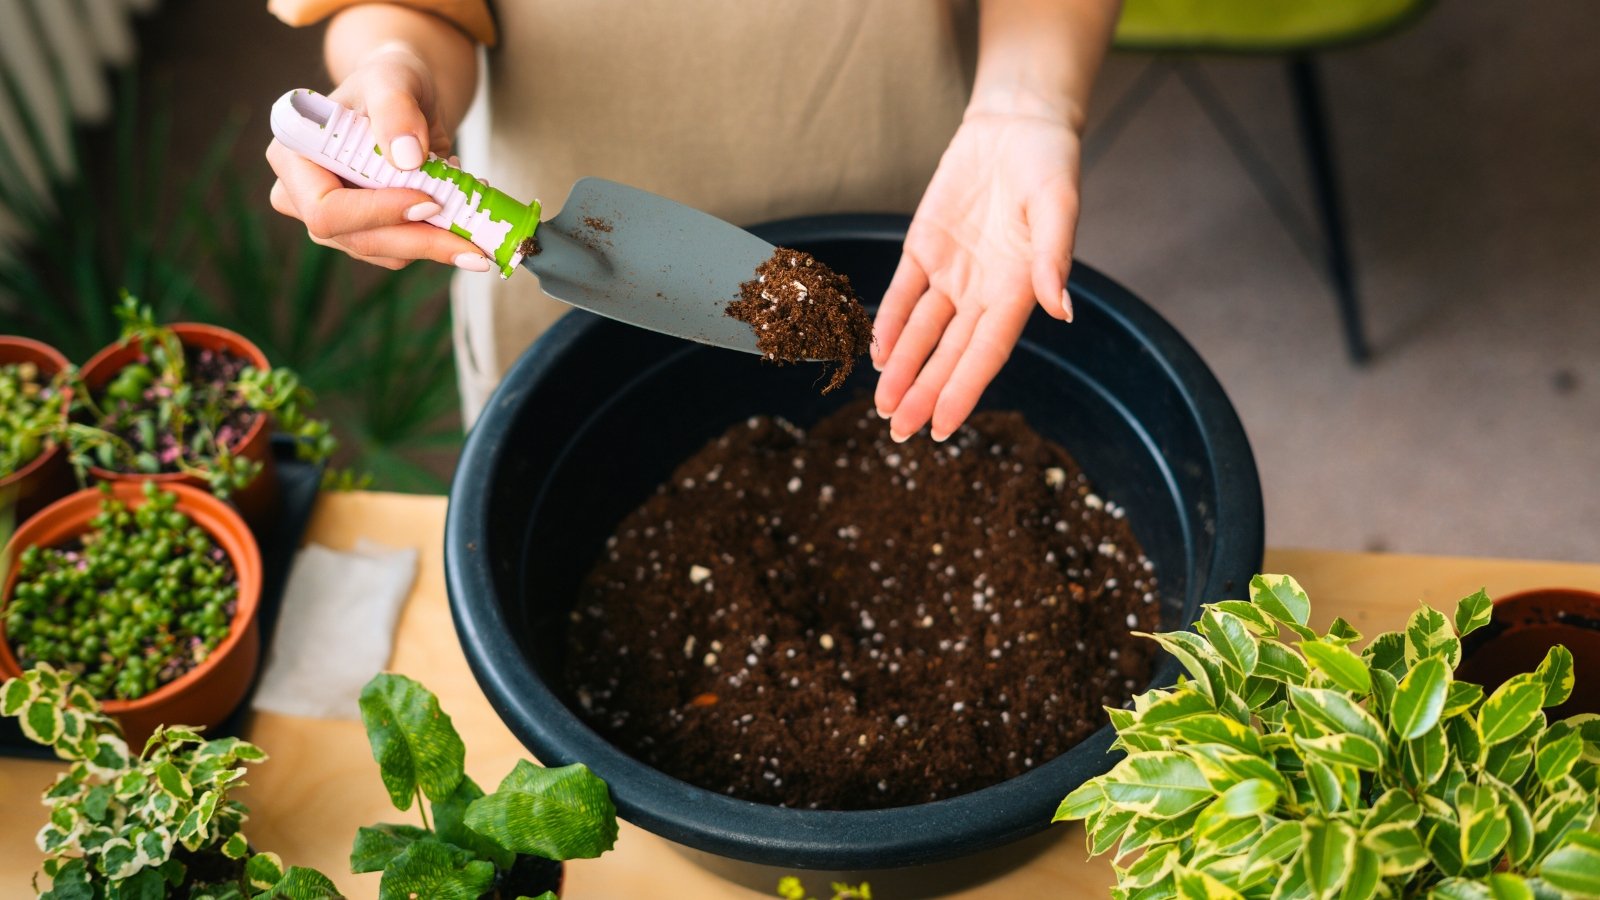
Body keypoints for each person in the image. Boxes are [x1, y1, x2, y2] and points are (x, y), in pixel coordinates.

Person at [266, 0, 1117, 439]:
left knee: (899, 406)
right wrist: (393, 66)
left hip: (930, 221)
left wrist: (1025, 102)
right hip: (571, 271)